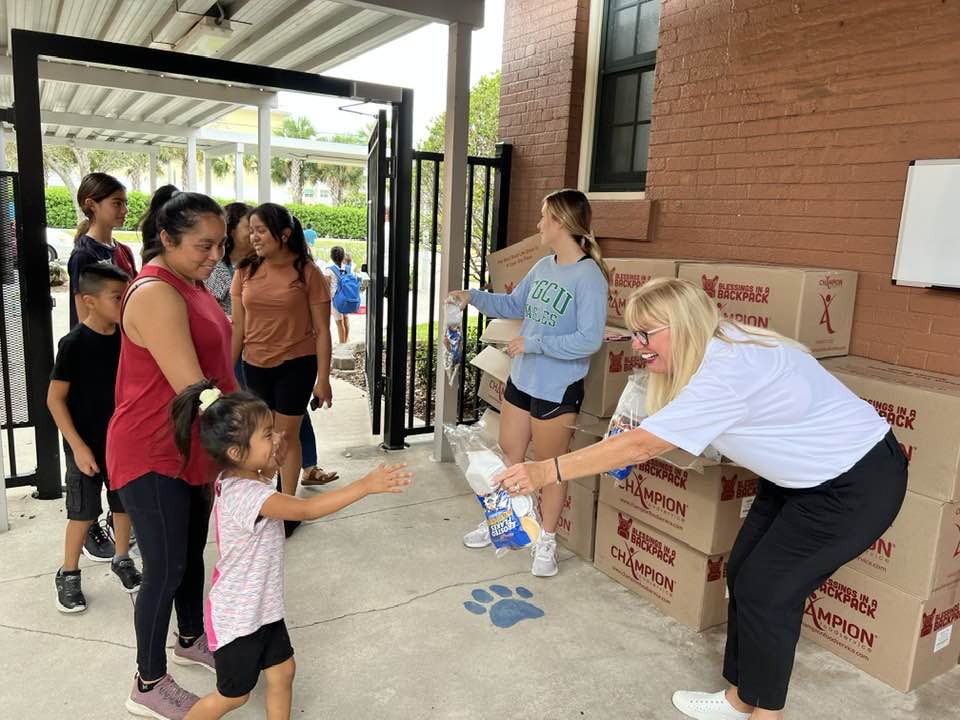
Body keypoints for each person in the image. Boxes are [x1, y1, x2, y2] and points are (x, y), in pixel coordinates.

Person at [495, 277, 908, 720]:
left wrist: (546, 469)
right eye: (633, 333)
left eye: (645, 334)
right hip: (798, 477)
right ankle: (740, 698)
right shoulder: (716, 342)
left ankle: (766, 715)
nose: (636, 345)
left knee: (768, 591)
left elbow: (640, 446)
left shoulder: (725, 373)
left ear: (682, 326)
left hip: (854, 483)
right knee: (744, 569)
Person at [171, 381, 412, 720]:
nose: (276, 438)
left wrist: (274, 457)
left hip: (264, 609)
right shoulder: (246, 495)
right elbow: (305, 510)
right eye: (267, 435)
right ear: (238, 453)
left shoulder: (244, 476)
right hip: (239, 618)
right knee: (233, 696)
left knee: (283, 672)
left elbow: (268, 475)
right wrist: (365, 486)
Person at [107, 191, 237, 720]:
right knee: (163, 565)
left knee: (189, 551)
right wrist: (245, 435)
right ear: (167, 239)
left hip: (190, 443)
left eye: (220, 244)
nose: (215, 255)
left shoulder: (193, 281)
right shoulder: (156, 292)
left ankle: (189, 636)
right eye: (204, 245)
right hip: (151, 446)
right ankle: (147, 680)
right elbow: (195, 387)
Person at [448, 189, 609, 577]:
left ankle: (547, 541)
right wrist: (472, 296)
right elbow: (513, 305)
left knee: (550, 468)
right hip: (522, 382)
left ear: (561, 222)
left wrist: (534, 343)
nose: (538, 224)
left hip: (558, 389)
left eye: (543, 217)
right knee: (508, 457)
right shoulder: (543, 266)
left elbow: (589, 339)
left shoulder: (589, 277)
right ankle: (503, 521)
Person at [231, 203, 335, 537]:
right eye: (251, 230)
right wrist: (225, 370)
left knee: (284, 436)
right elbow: (238, 329)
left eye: (260, 230)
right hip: (254, 365)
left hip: (296, 363)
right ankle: (266, 499)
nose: (253, 236)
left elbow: (322, 331)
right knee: (259, 437)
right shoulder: (244, 270)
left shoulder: (307, 273)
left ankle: (287, 506)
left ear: (284, 234)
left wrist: (323, 379)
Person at [48, 263, 141, 613]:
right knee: (83, 512)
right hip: (84, 445)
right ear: (88, 301)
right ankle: (69, 572)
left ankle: (121, 558)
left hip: (121, 443)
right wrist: (78, 446)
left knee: (123, 503)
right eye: (118, 298)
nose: (125, 304)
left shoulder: (128, 336)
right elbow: (54, 400)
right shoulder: (73, 344)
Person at [68, 173, 137, 327]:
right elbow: (85, 319)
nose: (125, 210)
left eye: (125, 203)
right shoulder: (84, 255)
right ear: (91, 204)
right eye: (117, 203)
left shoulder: (125, 250)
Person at [204, 202, 252, 317]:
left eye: (260, 228)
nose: (256, 234)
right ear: (231, 230)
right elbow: (209, 311)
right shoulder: (217, 269)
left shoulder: (262, 263)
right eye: (250, 228)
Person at [322, 246, 349, 345]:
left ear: (331, 257)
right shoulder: (347, 268)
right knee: (346, 319)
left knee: (339, 323)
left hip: (336, 299)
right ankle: (346, 340)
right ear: (343, 257)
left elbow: (326, 286)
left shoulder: (329, 270)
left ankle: (342, 344)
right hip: (346, 297)